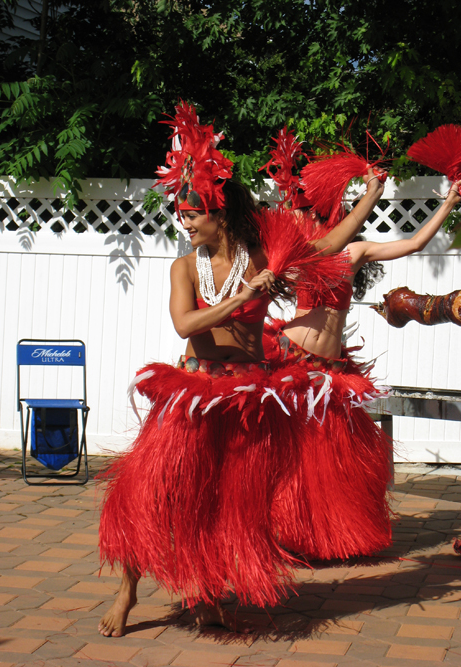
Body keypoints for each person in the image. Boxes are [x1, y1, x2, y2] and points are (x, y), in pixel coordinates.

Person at [97, 103, 315, 637]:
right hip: (194, 390)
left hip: (245, 392)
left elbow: (330, 247)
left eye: (193, 214)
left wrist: (372, 196)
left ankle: (210, 594)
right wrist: (244, 295)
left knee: (226, 502)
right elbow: (185, 323)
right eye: (182, 214)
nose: (185, 222)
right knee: (151, 490)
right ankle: (126, 592)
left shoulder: (264, 259)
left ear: (219, 213)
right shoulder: (183, 266)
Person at [268, 174, 461, 561]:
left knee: (332, 457)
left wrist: (448, 203)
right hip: (293, 362)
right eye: (294, 215)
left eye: (302, 214)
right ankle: (285, 532)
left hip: (333, 367)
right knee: (296, 456)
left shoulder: (353, 253)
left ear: (322, 215)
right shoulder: (298, 254)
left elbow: (413, 243)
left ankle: (319, 535)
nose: (296, 221)